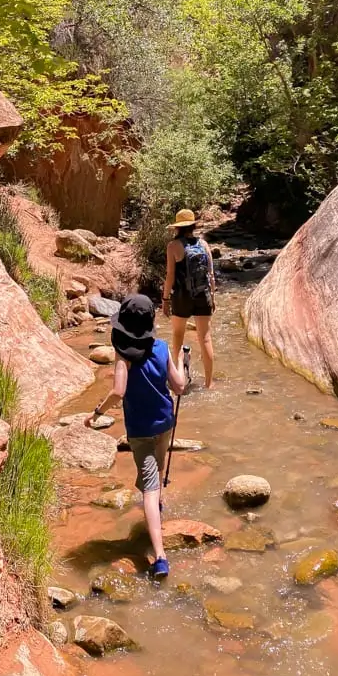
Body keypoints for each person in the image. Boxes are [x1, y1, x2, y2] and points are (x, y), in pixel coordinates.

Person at [85, 293, 186, 579]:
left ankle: (160, 557)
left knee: (149, 491)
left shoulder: (123, 357)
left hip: (140, 431)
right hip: (165, 422)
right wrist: (183, 366)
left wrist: (96, 413)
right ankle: (157, 504)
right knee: (158, 466)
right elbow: (179, 387)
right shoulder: (163, 348)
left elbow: (118, 392)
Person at [162, 208, 216, 389]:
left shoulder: (173, 246)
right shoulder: (204, 244)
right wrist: (212, 296)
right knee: (205, 339)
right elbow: (211, 275)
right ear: (193, 226)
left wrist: (165, 299)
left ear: (177, 227)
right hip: (203, 295)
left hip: (182, 297)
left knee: (178, 336)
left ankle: (177, 382)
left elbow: (170, 276)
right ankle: (209, 384)